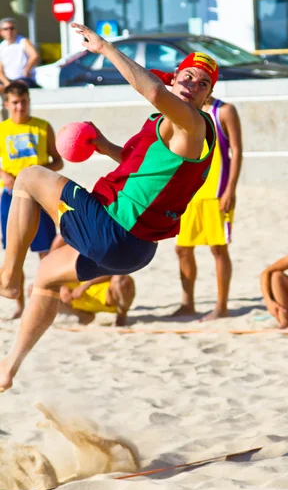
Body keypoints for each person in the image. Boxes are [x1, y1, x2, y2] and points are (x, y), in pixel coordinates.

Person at [0, 23, 218, 392]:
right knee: (48, 277)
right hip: (135, 251)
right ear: (177, 76)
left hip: (114, 230)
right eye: (190, 76)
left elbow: (149, 89)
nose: (193, 85)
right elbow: (142, 170)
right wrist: (104, 147)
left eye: (203, 84)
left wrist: (104, 47)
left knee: (30, 177)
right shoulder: (173, 126)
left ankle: (6, 278)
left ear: (207, 97)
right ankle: (9, 367)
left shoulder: (192, 123)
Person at [174, 95, 242, 320]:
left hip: (216, 191)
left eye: (202, 81)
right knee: (182, 248)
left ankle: (221, 307)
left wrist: (230, 188)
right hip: (188, 192)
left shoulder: (223, 111)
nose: (193, 86)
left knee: (218, 249)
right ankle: (187, 304)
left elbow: (237, 150)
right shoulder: (179, 109)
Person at [0, 80, 63, 318]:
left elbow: (58, 160)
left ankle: (47, 303)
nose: (20, 107)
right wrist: (4, 174)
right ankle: (20, 305)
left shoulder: (42, 127)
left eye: (24, 102)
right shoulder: (2, 129)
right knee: (14, 254)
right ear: (7, 104)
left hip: (40, 196)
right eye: (15, 103)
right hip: (10, 197)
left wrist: (40, 171)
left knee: (46, 253)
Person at [60, 275, 135, 327]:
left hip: (109, 296)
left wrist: (87, 284)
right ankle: (83, 315)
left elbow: (116, 269)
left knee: (122, 279)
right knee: (49, 294)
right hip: (76, 299)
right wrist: (61, 288)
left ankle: (122, 313)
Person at [0, 19, 40, 93]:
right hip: (9, 80)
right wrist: (6, 83)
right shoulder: (2, 46)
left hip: (24, 79)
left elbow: (34, 55)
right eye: (5, 29)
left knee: (18, 89)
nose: (9, 31)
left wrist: (27, 70)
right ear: (1, 32)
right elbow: (0, 70)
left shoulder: (23, 41)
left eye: (11, 28)